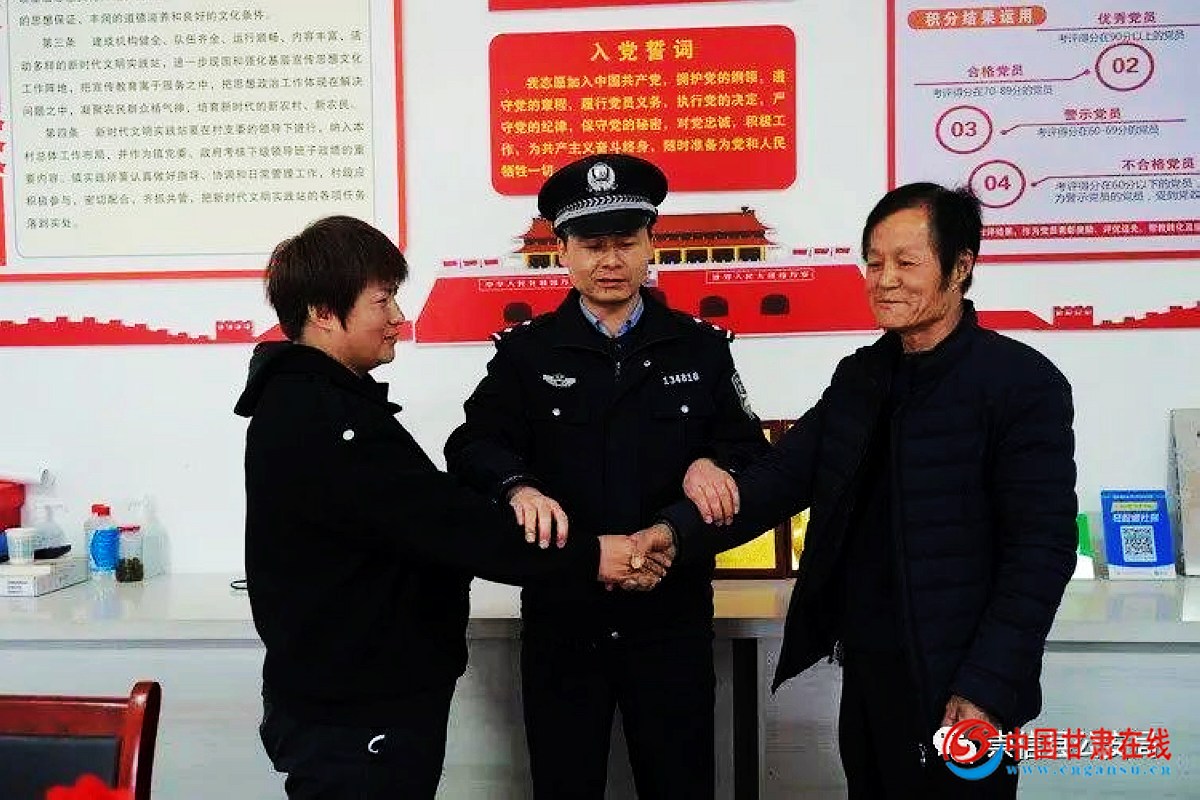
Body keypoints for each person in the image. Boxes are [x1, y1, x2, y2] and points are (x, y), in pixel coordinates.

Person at [653, 183, 1078, 798]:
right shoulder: (862, 377)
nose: (886, 280)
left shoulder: (1021, 383)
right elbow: (778, 479)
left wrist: (987, 685)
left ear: (961, 266)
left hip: (961, 681)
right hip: (871, 674)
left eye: (907, 262)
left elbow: (1041, 552)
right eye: (874, 263)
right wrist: (669, 533)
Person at [236, 215, 674, 800]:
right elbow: (448, 523)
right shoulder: (325, 419)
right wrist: (590, 554)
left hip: (363, 697)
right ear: (323, 311)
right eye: (382, 301)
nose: (398, 318)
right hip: (358, 709)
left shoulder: (324, 404)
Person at [443, 154, 770, 799]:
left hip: (670, 618)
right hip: (564, 619)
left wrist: (714, 461)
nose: (610, 261)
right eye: (592, 246)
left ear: (651, 244)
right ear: (563, 251)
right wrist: (517, 485)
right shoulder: (527, 353)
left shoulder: (699, 347)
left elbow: (749, 453)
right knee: (565, 786)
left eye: (625, 242)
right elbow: (472, 444)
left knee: (680, 787)